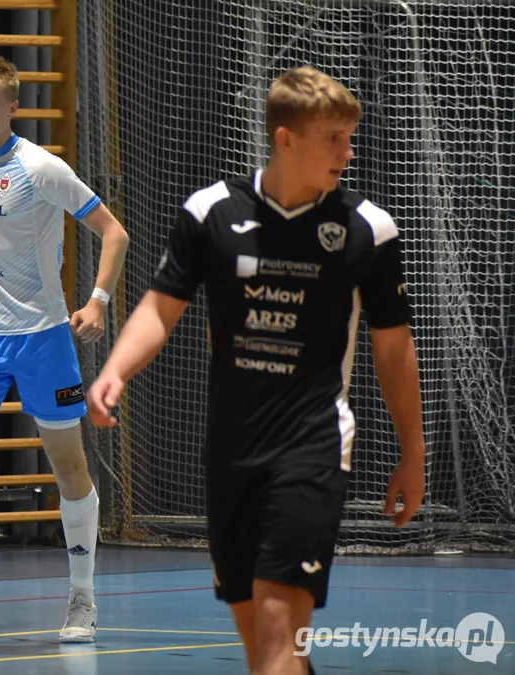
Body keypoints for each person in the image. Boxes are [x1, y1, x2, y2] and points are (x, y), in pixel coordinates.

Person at [85, 66, 426, 675]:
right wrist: (116, 369)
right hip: (232, 448)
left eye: (351, 138)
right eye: (334, 138)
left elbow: (394, 345)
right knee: (267, 646)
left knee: (275, 631)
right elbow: (161, 309)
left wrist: (413, 450)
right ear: (286, 138)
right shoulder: (211, 212)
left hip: (314, 445)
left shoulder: (366, 228)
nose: (348, 154)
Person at [0, 55, 130, 645]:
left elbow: (115, 233)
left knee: (68, 467)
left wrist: (97, 300)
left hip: (43, 340)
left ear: (13, 107)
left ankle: (82, 597)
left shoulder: (43, 168)